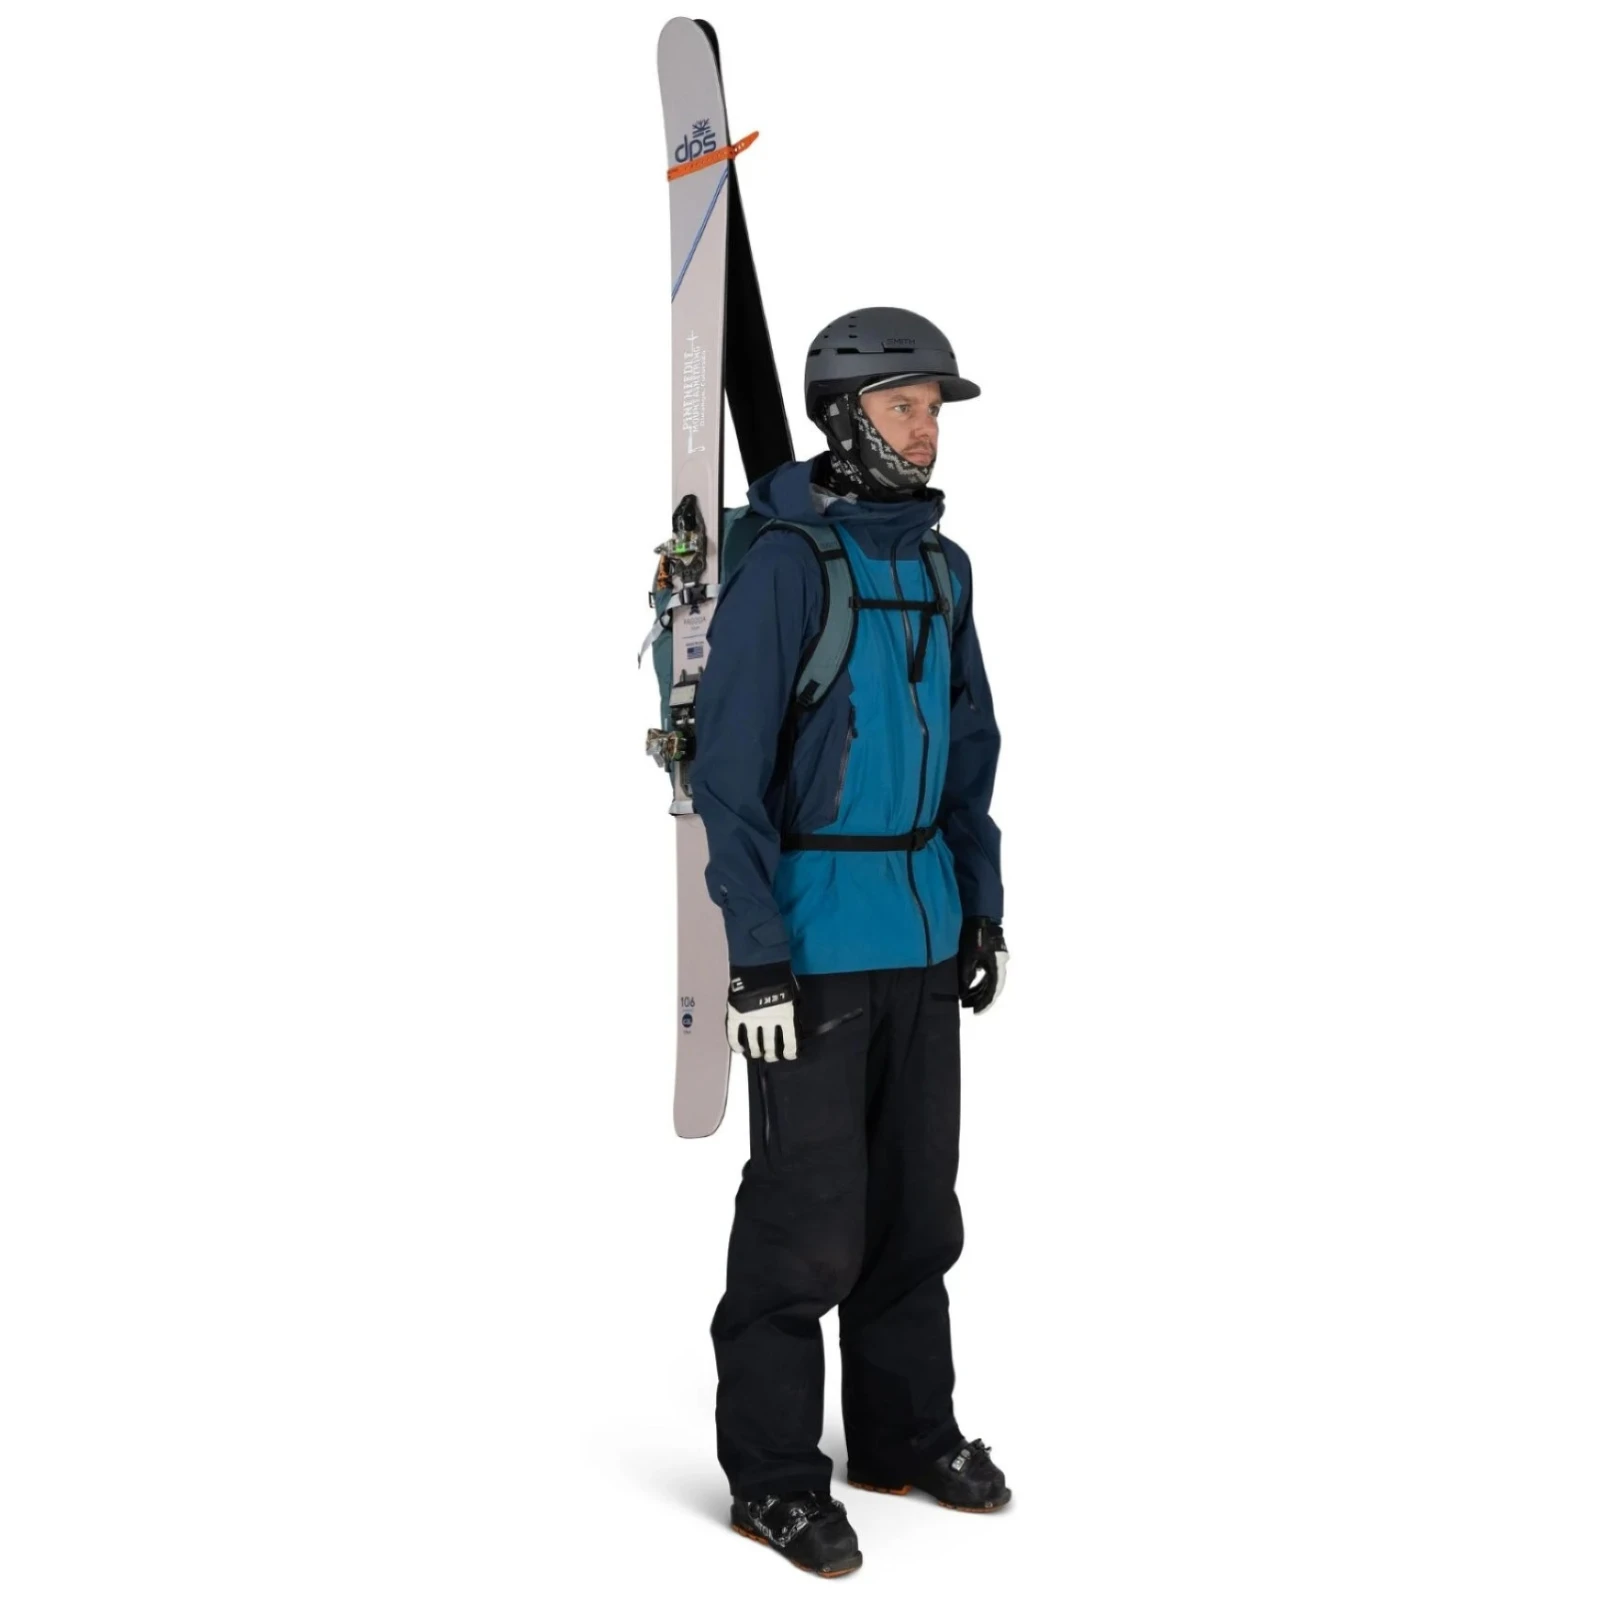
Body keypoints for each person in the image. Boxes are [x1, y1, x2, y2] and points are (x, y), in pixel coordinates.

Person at [690, 306, 1010, 1576]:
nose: (926, 431)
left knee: (916, 1208)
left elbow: (971, 747)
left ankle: (902, 1432)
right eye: (903, 407)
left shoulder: (941, 568)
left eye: (933, 409)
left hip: (920, 926)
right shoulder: (786, 565)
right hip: (817, 937)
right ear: (842, 415)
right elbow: (728, 773)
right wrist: (755, 954)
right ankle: (772, 1477)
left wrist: (981, 901)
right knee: (805, 1220)